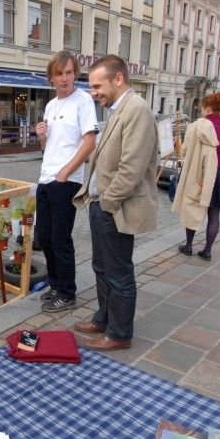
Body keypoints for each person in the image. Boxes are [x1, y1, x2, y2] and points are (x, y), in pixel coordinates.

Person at [72, 55, 158, 351]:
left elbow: (131, 168)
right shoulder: (117, 110)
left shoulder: (137, 110)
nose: (93, 92)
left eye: (97, 85)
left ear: (118, 79)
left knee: (118, 273)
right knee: (100, 266)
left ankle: (120, 333)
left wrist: (107, 202)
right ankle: (103, 318)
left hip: (116, 208)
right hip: (101, 206)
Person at [35, 50, 97, 313]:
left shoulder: (83, 101)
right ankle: (56, 285)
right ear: (51, 78)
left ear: (75, 74)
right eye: (59, 74)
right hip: (45, 178)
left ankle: (68, 293)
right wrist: (41, 137)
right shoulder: (51, 105)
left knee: (61, 238)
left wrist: (65, 173)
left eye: (69, 72)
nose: (65, 78)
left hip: (66, 180)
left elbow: (90, 142)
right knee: (44, 236)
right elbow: (49, 147)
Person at [175, 92, 220, 260]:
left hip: (201, 172)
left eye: (202, 107)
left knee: (193, 206)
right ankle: (207, 250)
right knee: (214, 214)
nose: (201, 110)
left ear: (208, 107)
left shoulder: (199, 126)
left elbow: (186, 148)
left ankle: (188, 245)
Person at [171, 107, 219, 252]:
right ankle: (205, 250)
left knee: (190, 213)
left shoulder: (192, 137)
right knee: (209, 215)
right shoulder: (210, 148)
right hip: (203, 183)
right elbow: (210, 173)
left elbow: (182, 152)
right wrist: (205, 197)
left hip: (192, 181)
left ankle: (188, 245)